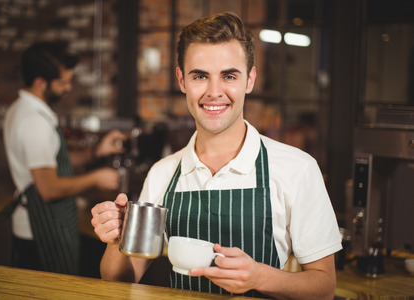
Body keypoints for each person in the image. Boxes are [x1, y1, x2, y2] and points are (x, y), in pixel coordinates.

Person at [91, 12, 342, 299]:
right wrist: (115, 241)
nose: (214, 92)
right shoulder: (163, 173)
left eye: (229, 76)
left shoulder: (297, 168)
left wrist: (261, 277)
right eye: (200, 76)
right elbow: (121, 281)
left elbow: (324, 288)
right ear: (181, 80)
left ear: (249, 80)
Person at [3, 41, 125, 275]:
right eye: (63, 83)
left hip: (41, 225)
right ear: (41, 82)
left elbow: (54, 160)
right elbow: (48, 188)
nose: (68, 87)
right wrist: (95, 179)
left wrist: (96, 152)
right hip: (40, 231)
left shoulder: (24, 109)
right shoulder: (34, 122)